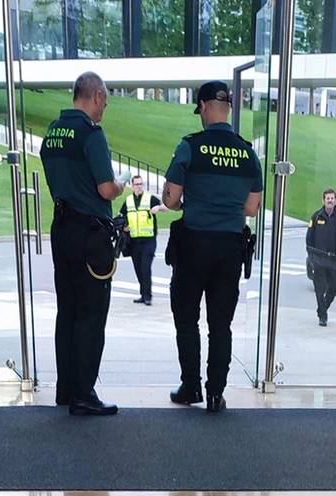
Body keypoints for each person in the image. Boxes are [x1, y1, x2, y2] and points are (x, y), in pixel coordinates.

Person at [164, 81, 264, 413]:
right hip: (229, 248)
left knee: (186, 317)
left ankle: (190, 386)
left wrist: (186, 203)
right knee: (220, 324)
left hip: (193, 243)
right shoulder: (247, 152)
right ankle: (215, 393)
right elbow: (252, 208)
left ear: (204, 107)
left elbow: (170, 198)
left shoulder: (190, 146)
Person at [41, 71, 127, 416]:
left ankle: (66, 388)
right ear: (94, 96)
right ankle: (84, 393)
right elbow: (106, 188)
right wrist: (120, 183)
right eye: (104, 100)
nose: (104, 107)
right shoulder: (90, 133)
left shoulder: (53, 132)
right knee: (91, 314)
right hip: (90, 233)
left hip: (61, 227)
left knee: (68, 311)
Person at [305, 188, 336, 327]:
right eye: (327, 198)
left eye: (332, 198)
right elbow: (309, 239)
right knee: (320, 288)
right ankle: (323, 317)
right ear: (323, 200)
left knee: (333, 288)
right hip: (319, 260)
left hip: (334, 260)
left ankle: (322, 308)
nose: (330, 201)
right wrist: (312, 257)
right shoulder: (316, 217)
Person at [119, 175, 166, 305]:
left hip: (149, 240)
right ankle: (143, 294)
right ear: (132, 185)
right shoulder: (128, 201)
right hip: (134, 241)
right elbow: (121, 216)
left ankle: (148, 296)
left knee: (145, 268)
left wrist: (159, 208)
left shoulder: (149, 198)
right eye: (136, 184)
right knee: (138, 268)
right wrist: (125, 227)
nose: (139, 186)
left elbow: (167, 206)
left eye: (141, 184)